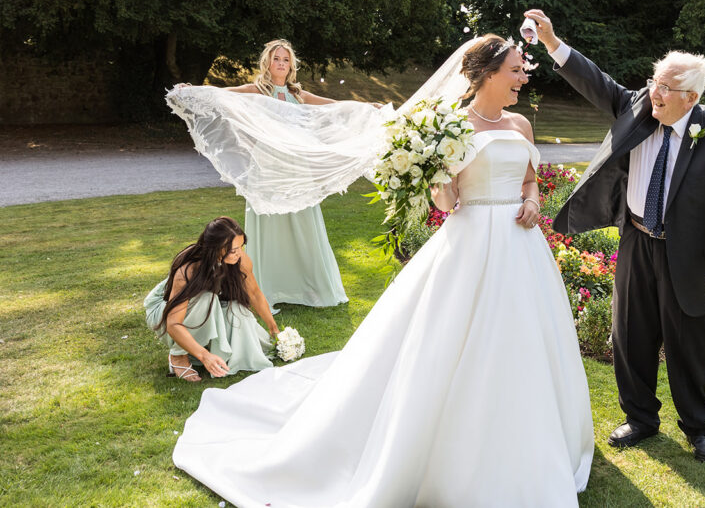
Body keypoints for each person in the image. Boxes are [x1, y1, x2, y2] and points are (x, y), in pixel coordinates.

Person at [170, 34, 594, 506]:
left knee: (528, 337)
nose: (523, 77)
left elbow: (531, 178)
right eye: (516, 70)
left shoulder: (520, 124)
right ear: (488, 74)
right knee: (454, 340)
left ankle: (532, 434)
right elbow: (448, 202)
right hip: (471, 241)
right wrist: (432, 171)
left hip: (522, 247)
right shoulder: (449, 126)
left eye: (522, 70)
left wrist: (533, 201)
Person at [524, 8, 705, 463]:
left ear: (689, 98)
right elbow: (596, 81)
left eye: (666, 88)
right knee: (630, 333)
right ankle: (640, 419)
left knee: (690, 340)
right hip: (636, 239)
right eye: (655, 81)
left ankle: (697, 426)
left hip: (688, 252)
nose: (656, 92)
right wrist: (553, 43)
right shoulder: (637, 106)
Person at [221, 39, 349, 312]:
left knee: (303, 223)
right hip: (266, 166)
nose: (281, 63)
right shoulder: (257, 90)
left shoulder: (297, 93)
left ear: (291, 65)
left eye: (285, 59)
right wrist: (192, 90)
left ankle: (307, 286)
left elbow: (333, 106)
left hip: (295, 167)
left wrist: (365, 108)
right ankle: (267, 288)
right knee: (268, 225)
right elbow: (223, 94)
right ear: (267, 62)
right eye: (276, 58)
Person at [144, 217, 280, 382]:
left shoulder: (240, 259)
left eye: (241, 246)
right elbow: (174, 324)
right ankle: (178, 356)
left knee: (235, 309)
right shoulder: (189, 269)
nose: (239, 253)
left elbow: (255, 294)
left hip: (201, 305)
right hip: (164, 311)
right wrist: (204, 356)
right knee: (208, 299)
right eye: (233, 250)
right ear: (215, 249)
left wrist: (274, 330)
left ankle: (206, 346)